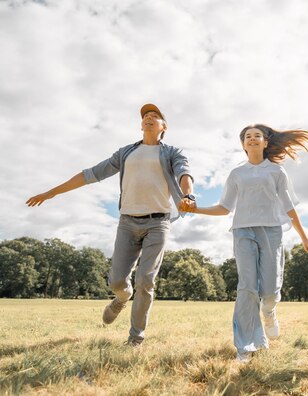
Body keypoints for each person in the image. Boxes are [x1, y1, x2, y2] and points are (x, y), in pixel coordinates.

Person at [26, 104, 196, 346]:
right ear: (141, 125)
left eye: (155, 116)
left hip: (158, 223)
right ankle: (121, 297)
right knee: (117, 281)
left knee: (145, 281)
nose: (149, 117)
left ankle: (135, 338)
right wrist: (52, 192)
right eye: (146, 116)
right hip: (127, 223)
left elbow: (184, 173)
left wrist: (188, 195)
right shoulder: (126, 153)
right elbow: (90, 173)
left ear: (163, 127)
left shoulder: (172, 152)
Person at [188, 124, 308, 363]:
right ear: (243, 144)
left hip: (271, 232)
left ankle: (269, 312)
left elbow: (289, 208)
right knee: (247, 287)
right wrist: (196, 208)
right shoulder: (237, 174)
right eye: (248, 136)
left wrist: (305, 238)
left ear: (266, 142)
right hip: (243, 231)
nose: (253, 138)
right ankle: (246, 346)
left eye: (257, 136)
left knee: (268, 292)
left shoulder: (276, 172)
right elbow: (225, 208)